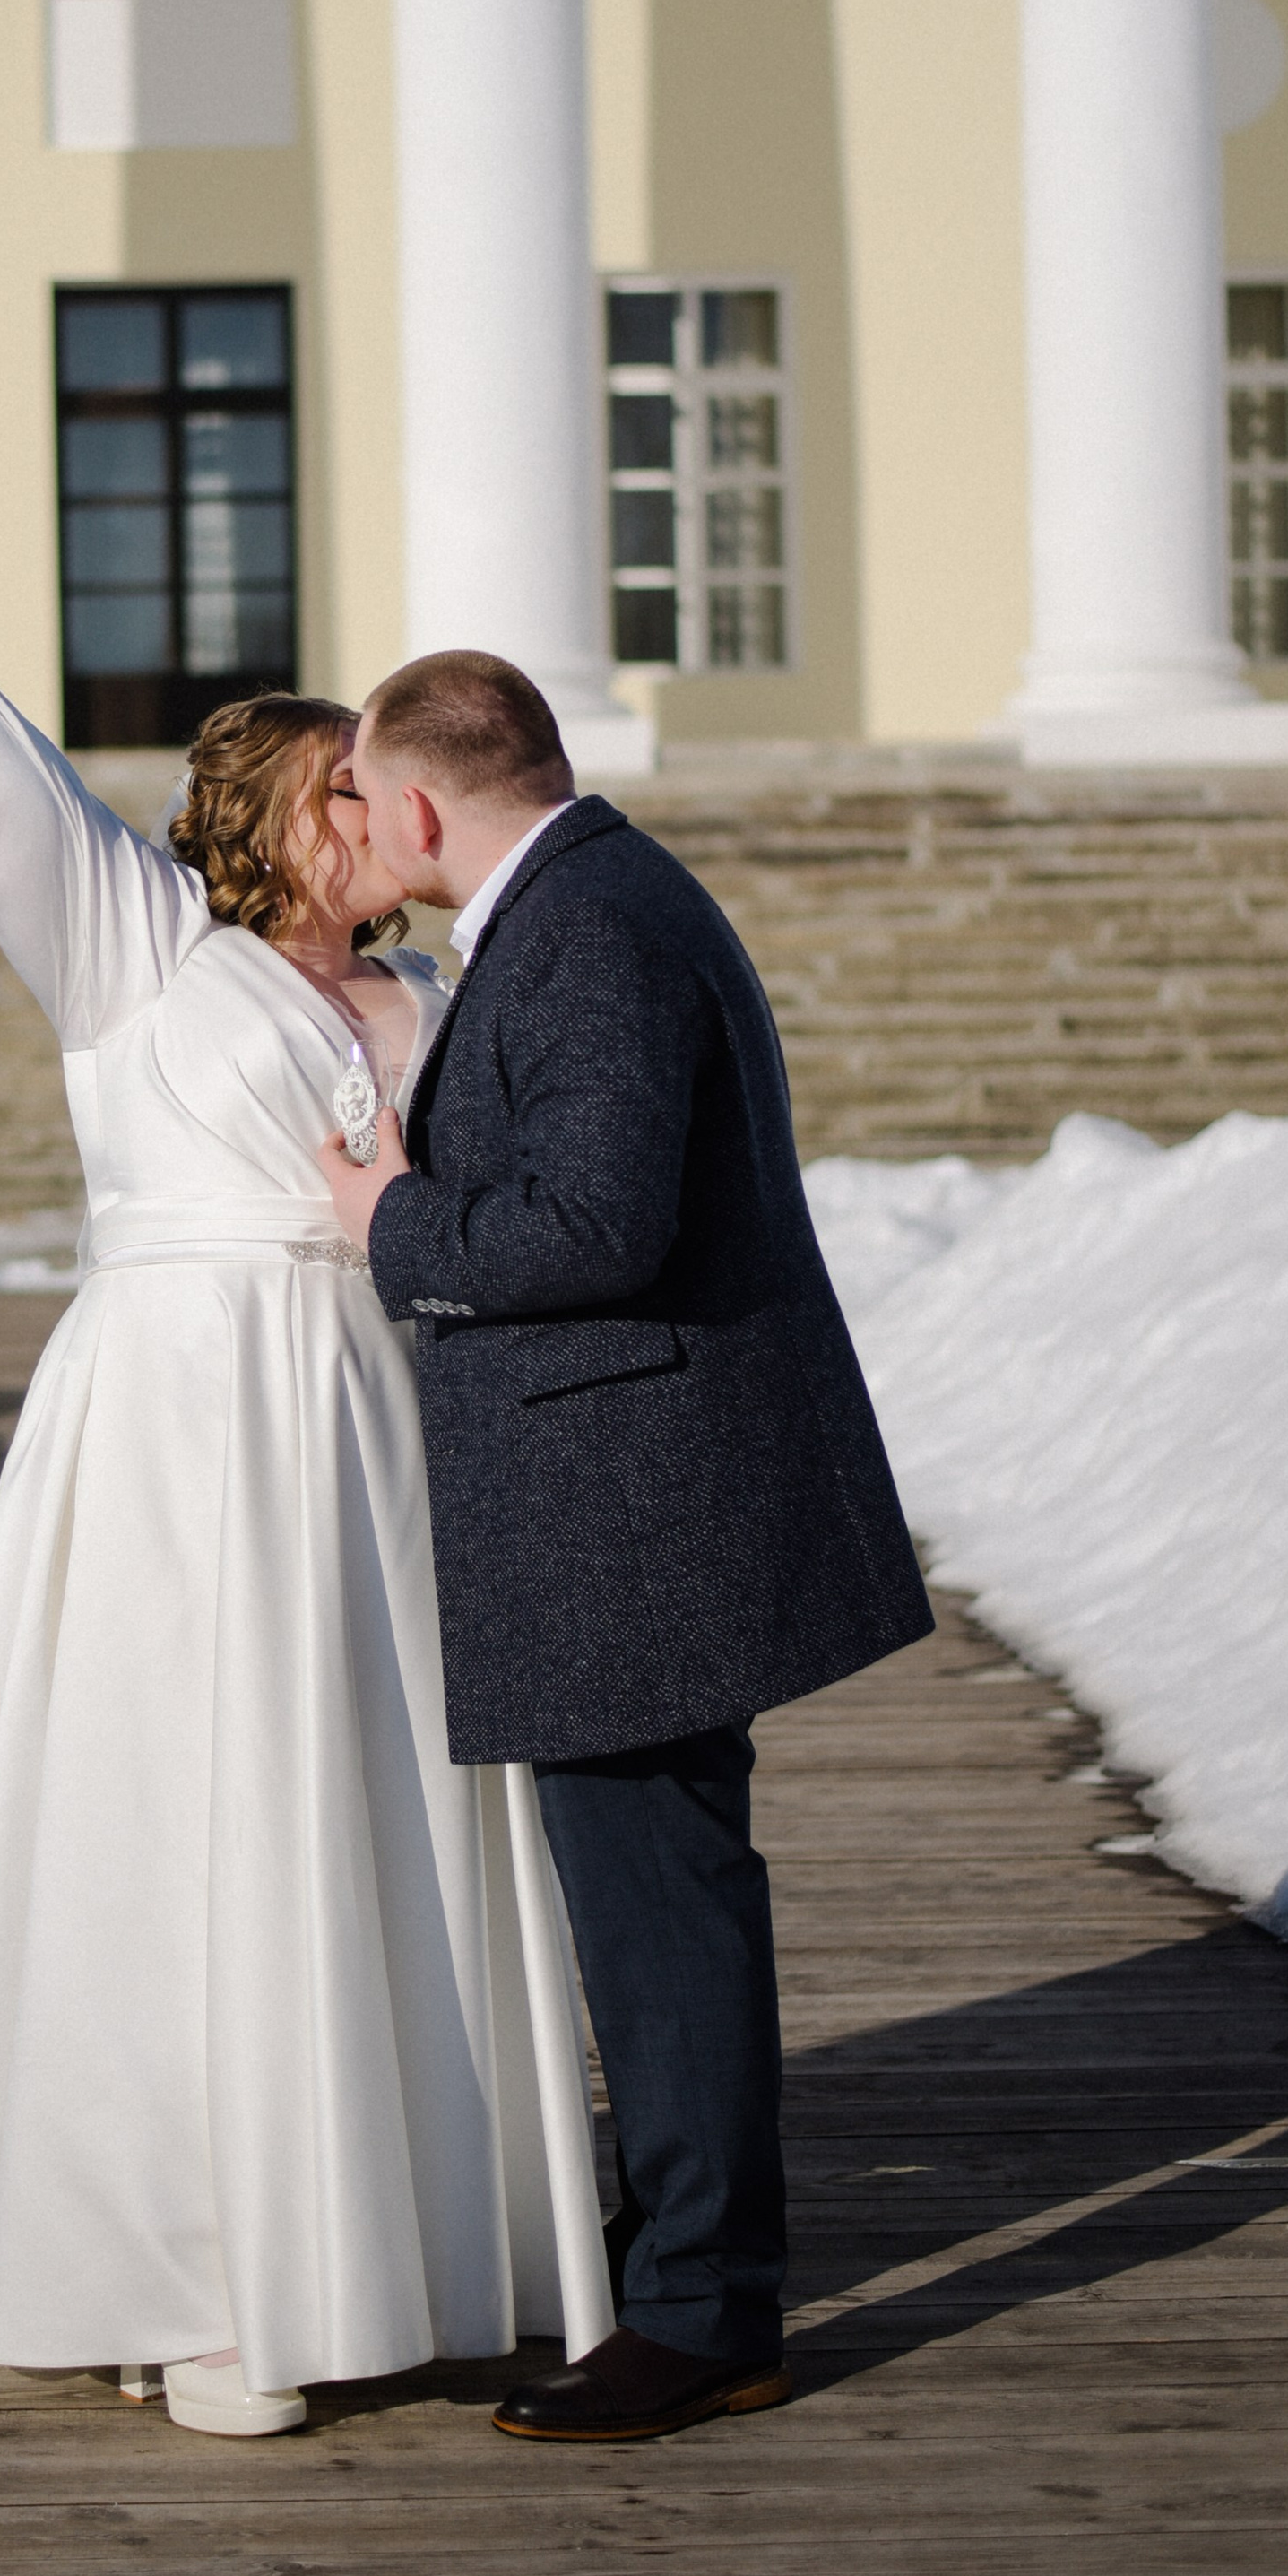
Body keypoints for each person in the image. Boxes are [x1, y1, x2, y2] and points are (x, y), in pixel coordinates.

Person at [0, 512, 615, 2438]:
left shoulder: (439, 992)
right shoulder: (138, 955)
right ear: (263, 815)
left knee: (372, 1808)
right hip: (182, 1427)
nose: (374, 811)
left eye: (377, 786)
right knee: (185, 1820)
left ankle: (402, 2238)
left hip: (377, 1426)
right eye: (338, 785)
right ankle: (191, 2274)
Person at [319, 647, 935, 2444]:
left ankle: (700, 2308)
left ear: (421, 807)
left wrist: (391, 1220)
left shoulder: (584, 926)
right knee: (655, 1902)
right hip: (626, 1493)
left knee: (662, 1913)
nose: (357, 828)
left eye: (361, 798)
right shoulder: (587, 896)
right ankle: (671, 2253)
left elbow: (594, 1219)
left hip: (635, 1508)